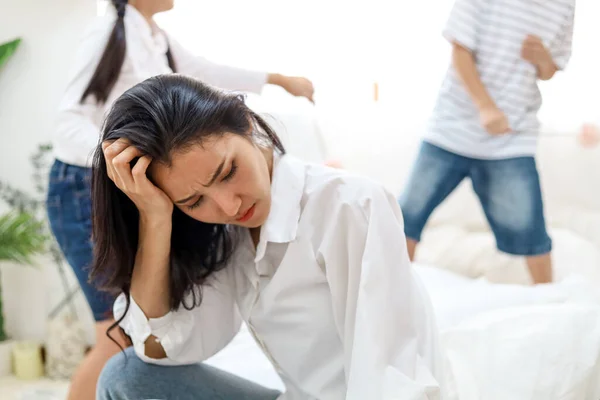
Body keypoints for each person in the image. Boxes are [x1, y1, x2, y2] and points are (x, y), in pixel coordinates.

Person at [91, 74, 442, 400]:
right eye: (194, 201)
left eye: (228, 172)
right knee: (125, 377)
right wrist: (155, 219)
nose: (228, 206)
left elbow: (388, 375)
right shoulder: (228, 238)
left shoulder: (349, 205)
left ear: (245, 123)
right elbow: (159, 348)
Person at [45, 1, 314, 399]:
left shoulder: (158, 39)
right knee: (116, 331)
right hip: (84, 185)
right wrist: (125, 161)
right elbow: (67, 120)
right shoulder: (109, 32)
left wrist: (278, 79)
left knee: (122, 334)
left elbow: (205, 74)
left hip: (144, 187)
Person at [398, 0, 575, 284]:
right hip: (452, 128)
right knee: (405, 217)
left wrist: (543, 58)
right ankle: (393, 293)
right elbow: (460, 50)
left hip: (512, 137)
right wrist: (485, 106)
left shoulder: (565, 5)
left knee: (530, 229)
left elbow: (550, 69)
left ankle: (551, 298)